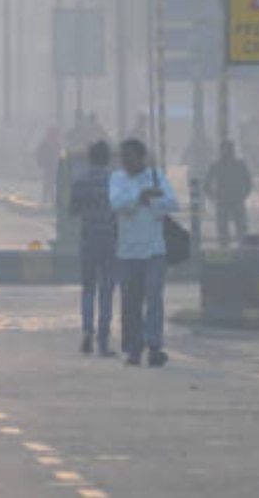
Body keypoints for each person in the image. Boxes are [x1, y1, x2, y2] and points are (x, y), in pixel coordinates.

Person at [110, 138, 178, 367]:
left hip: (154, 251)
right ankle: (133, 348)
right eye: (123, 156)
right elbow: (117, 203)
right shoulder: (117, 179)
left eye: (129, 155)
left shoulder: (156, 176)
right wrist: (140, 197)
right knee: (131, 304)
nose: (125, 161)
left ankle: (154, 346)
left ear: (141, 157)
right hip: (127, 252)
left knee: (154, 301)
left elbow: (171, 204)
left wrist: (152, 201)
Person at [70, 140, 117, 357]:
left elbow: (72, 210)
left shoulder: (81, 182)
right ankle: (104, 339)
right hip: (110, 239)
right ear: (108, 159)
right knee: (107, 290)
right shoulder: (115, 182)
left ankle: (87, 332)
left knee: (88, 288)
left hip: (88, 238)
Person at [204, 139, 254, 249]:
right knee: (238, 229)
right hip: (234, 200)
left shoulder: (217, 165)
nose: (227, 152)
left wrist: (215, 196)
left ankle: (226, 250)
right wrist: (243, 195)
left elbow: (206, 186)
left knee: (226, 230)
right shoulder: (239, 165)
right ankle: (240, 250)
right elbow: (249, 183)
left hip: (225, 201)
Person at [35, 127, 62, 207]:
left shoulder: (57, 144)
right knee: (49, 183)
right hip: (48, 165)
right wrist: (41, 163)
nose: (55, 136)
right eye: (53, 134)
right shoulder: (44, 144)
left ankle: (48, 199)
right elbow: (39, 154)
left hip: (56, 165)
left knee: (52, 183)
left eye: (56, 134)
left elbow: (61, 154)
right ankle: (50, 200)